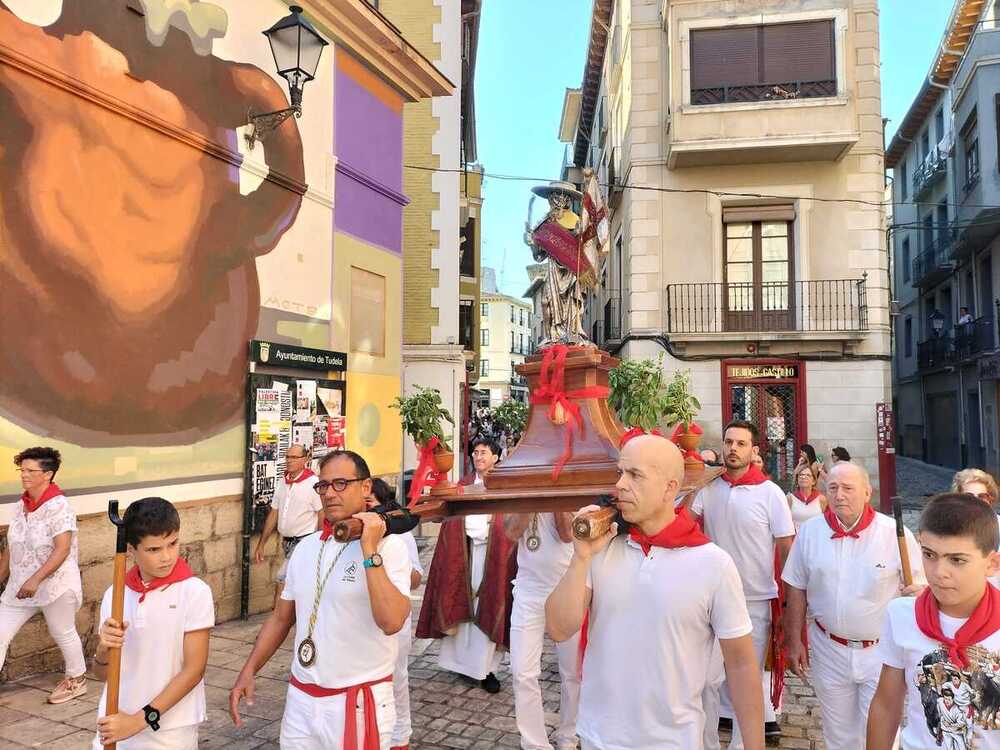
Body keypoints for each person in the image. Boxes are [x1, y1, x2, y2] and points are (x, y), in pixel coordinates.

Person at [545, 435, 765, 749]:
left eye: (635, 475)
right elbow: (557, 627)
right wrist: (580, 557)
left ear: (669, 488)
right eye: (620, 472)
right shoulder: (601, 549)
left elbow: (742, 665)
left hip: (673, 741)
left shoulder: (714, 564)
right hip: (598, 737)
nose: (620, 484)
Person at [230, 450, 412, 749]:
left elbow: (392, 621)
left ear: (365, 488)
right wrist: (249, 670)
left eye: (341, 483)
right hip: (301, 699)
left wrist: (369, 549)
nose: (329, 493)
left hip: (356, 701)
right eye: (323, 485)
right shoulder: (307, 547)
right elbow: (280, 618)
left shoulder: (389, 548)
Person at [782, 462, 925, 750]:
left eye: (848, 488)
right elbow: (795, 586)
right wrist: (793, 639)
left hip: (882, 653)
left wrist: (917, 593)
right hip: (828, 648)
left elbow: (920, 589)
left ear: (867, 492)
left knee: (882, 736)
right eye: (833, 488)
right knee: (839, 735)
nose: (839, 495)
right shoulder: (810, 532)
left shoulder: (895, 534)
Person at [867, 493, 1000, 749]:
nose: (939, 573)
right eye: (929, 555)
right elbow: (886, 704)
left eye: (957, 560)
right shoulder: (902, 615)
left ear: (992, 564)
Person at [691, 420, 795, 745]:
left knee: (746, 682)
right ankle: (706, 742)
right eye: (728, 442)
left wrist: (789, 602)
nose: (733, 448)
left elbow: (786, 547)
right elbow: (689, 526)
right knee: (705, 680)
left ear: (753, 450)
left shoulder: (771, 494)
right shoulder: (708, 488)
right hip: (710, 599)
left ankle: (740, 744)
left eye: (740, 443)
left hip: (754, 600)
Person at [92, 497, 214, 749]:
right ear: (131, 549)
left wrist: (138, 721)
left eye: (173, 544)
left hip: (170, 729)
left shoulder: (194, 592)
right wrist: (102, 652)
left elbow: (194, 670)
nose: (167, 557)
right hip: (115, 719)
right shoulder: (115, 595)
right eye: (153, 549)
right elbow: (101, 674)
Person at [416, 435, 517, 694]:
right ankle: (462, 664)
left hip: (492, 556)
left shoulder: (506, 486)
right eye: (475, 452)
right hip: (466, 553)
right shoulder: (461, 485)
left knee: (489, 605)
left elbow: (509, 523)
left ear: (496, 457)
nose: (478, 456)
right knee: (464, 606)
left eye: (484, 452)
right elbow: (450, 516)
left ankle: (486, 669)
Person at [0, 447, 86, 704]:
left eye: (30, 471)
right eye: (22, 470)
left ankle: (77, 680)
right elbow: (10, 548)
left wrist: (36, 580)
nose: (24, 475)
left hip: (56, 585)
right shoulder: (20, 506)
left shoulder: (59, 507)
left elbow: (63, 549)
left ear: (47, 474)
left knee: (62, 631)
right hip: (19, 587)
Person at [503, 505, 580, 750]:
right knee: (522, 672)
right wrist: (532, 499)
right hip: (528, 589)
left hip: (568, 587)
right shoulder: (524, 489)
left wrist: (553, 496)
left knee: (573, 673)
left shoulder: (570, 484)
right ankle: (534, 743)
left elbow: (568, 534)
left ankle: (569, 736)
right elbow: (511, 533)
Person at [368, 478, 424, 750]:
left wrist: (391, 568)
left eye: (371, 504)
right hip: (368, 617)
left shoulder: (400, 536)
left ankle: (400, 734)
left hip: (396, 615)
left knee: (396, 676)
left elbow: (416, 578)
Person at [254, 445, 322, 607]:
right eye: (287, 457)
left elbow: (322, 513)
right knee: (297, 583)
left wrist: (318, 542)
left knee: (282, 577)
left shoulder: (313, 483)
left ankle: (276, 620)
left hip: (304, 541)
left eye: (294, 457)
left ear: (305, 460)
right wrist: (261, 543)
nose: (289, 461)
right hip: (287, 541)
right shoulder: (282, 482)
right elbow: (274, 513)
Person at [786, 465, 826, 532]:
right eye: (801, 475)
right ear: (797, 480)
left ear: (813, 481)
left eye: (808, 475)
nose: (803, 477)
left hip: (815, 539)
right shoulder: (789, 499)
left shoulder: (821, 499)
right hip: (796, 540)